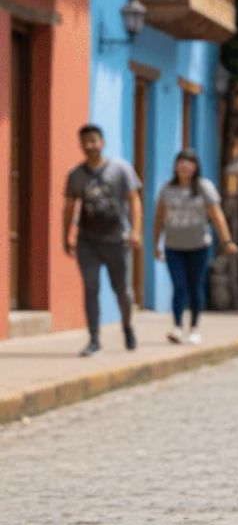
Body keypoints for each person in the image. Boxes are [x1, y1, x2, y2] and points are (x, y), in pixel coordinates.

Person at [63, 124, 143, 357]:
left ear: (102, 143)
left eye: (94, 141)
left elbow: (134, 201)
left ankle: (127, 326)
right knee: (91, 286)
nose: (90, 146)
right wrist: (66, 235)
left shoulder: (121, 169)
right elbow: (69, 207)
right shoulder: (76, 175)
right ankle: (94, 338)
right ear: (80, 145)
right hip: (88, 240)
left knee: (123, 291)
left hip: (117, 239)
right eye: (85, 142)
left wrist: (136, 232)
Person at [152, 147, 237, 345]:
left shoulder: (204, 187)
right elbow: (158, 219)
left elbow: (217, 216)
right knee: (179, 286)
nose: (185, 165)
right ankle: (177, 326)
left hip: (199, 246)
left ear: (196, 167)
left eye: (189, 162)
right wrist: (156, 244)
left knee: (195, 286)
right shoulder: (167, 189)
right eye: (181, 161)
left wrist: (227, 241)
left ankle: (195, 327)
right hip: (174, 246)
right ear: (175, 165)